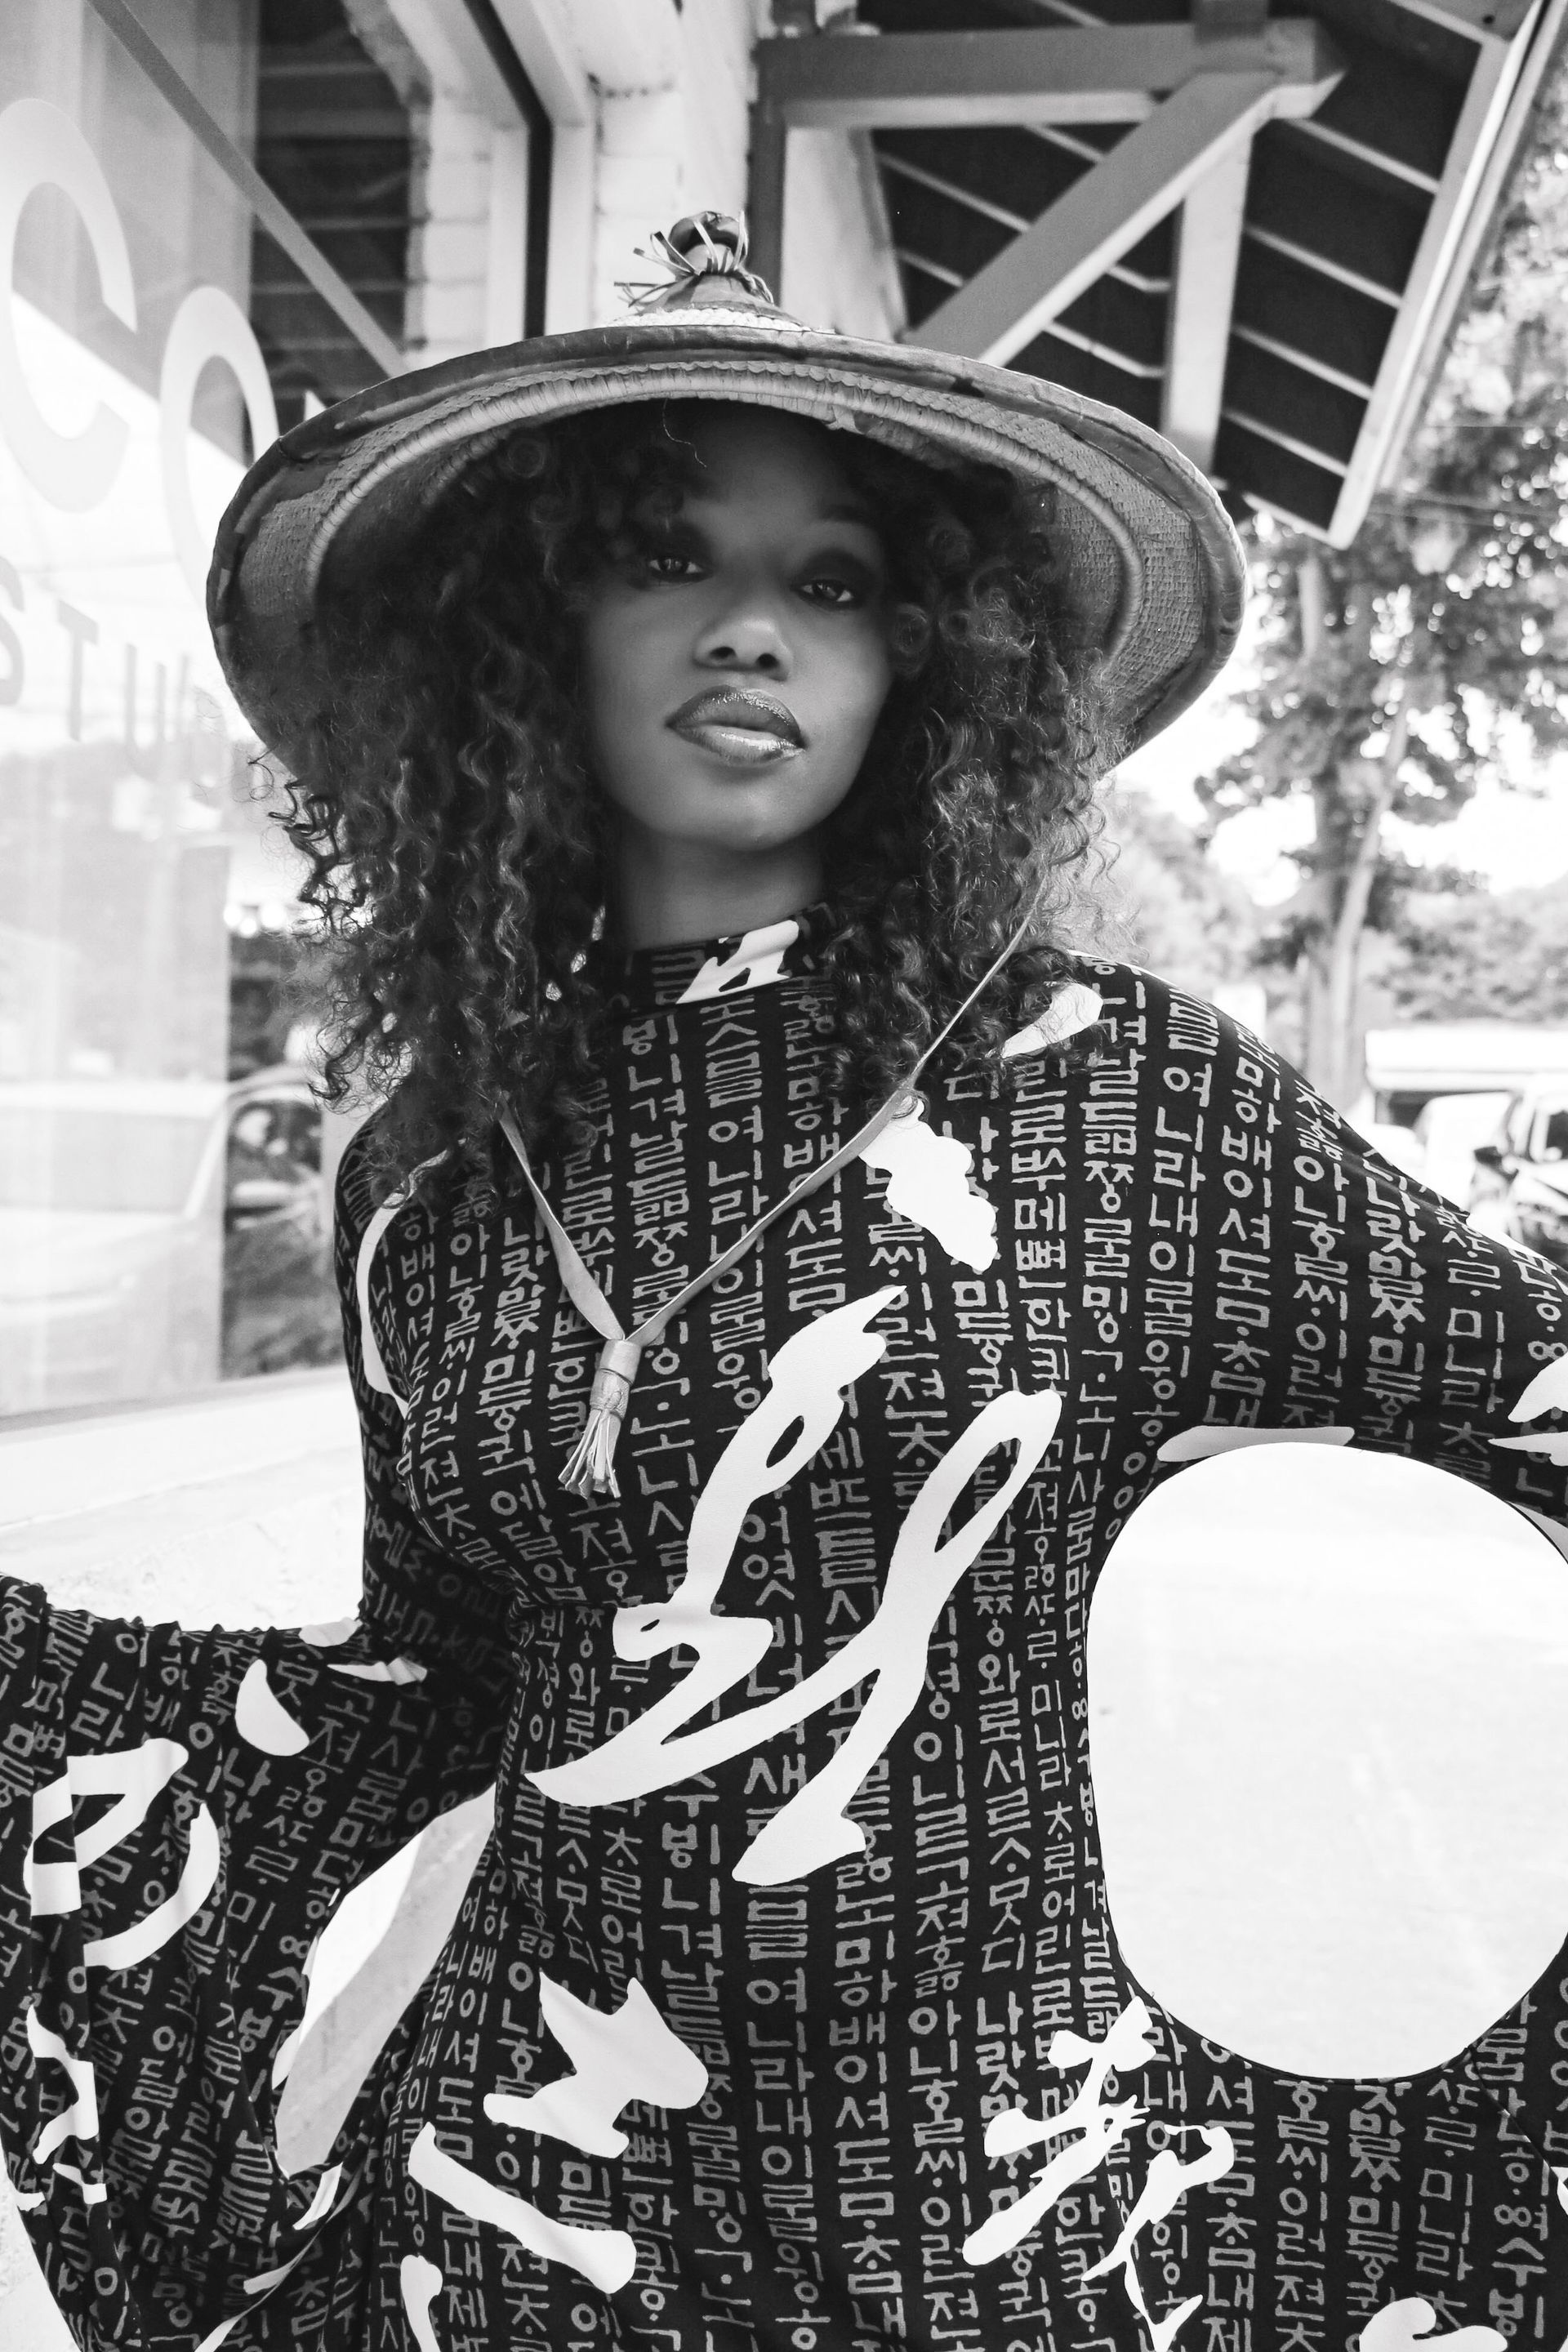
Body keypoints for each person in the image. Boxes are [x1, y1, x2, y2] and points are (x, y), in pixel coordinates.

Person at [2, 212, 1566, 2352]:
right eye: (667, 553)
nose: (754, 628)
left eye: (833, 582)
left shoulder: (1120, 1101)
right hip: (520, 2200)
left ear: (925, 657)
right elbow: (439, 1693)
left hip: (986, 2208)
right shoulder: (425, 1183)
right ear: (522, 628)